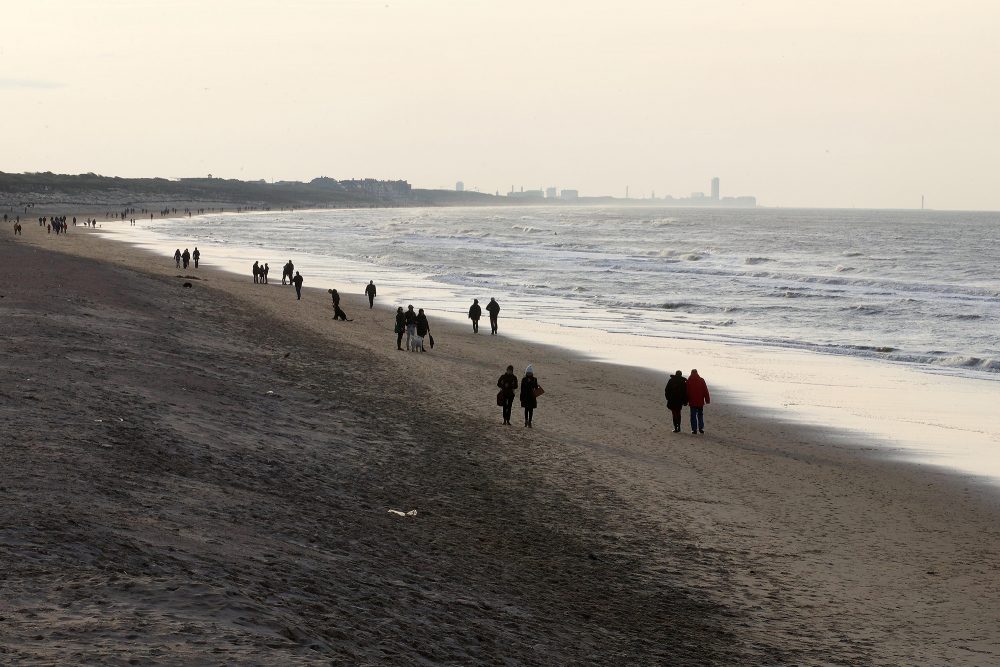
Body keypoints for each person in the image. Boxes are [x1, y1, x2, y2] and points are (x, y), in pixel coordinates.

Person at [686, 369, 711, 434]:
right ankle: (701, 428)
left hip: (692, 402)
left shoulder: (689, 381)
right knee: (700, 415)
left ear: (691, 373)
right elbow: (705, 390)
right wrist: (707, 400)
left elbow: (687, 392)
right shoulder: (701, 380)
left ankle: (694, 430)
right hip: (700, 402)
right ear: (697, 373)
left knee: (693, 416)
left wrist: (686, 400)